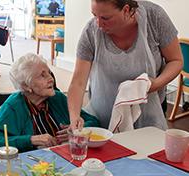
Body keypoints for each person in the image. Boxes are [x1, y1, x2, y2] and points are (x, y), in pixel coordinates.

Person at [68, 0, 183, 131]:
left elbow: (175, 60)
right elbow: (78, 82)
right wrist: (74, 117)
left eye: (105, 18)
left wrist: (155, 84)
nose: (98, 24)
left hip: (150, 111)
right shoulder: (91, 32)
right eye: (94, 15)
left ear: (126, 10)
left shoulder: (154, 18)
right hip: (103, 113)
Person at [0, 53, 100, 158]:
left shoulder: (58, 98)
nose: (50, 79)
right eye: (42, 76)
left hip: (66, 159)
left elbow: (94, 122)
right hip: (32, 167)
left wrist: (77, 129)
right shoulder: (13, 107)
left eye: (49, 73)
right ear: (26, 86)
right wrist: (31, 140)